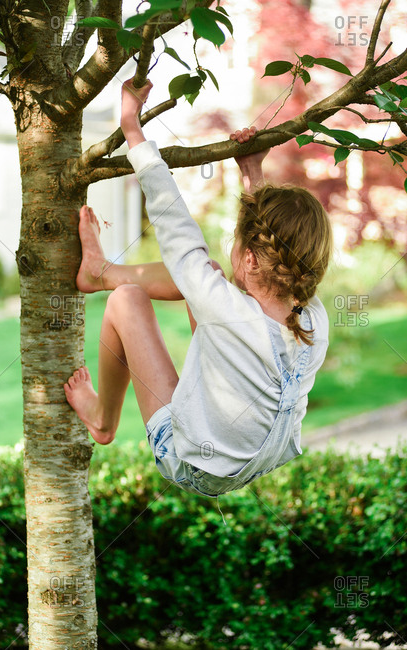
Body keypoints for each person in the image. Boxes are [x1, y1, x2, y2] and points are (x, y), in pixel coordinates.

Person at [64, 78, 333, 498]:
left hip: (193, 462)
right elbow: (278, 251)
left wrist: (132, 126)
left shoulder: (229, 311)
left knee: (128, 300)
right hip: (251, 454)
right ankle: (98, 272)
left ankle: (102, 418)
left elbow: (173, 219)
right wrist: (251, 172)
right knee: (205, 274)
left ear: (249, 258)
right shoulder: (313, 317)